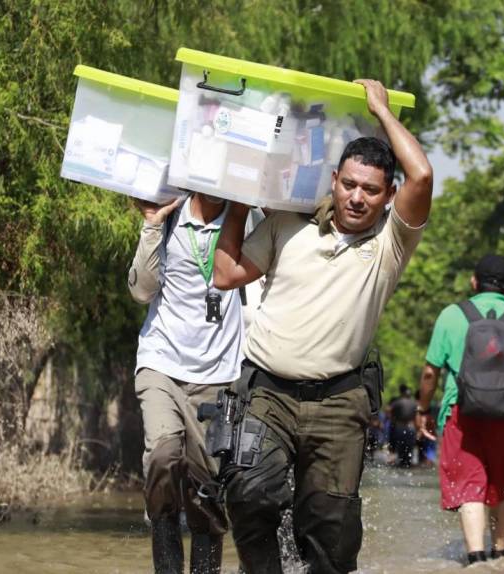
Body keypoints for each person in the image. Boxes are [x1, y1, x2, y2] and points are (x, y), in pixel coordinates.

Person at [212, 79, 433, 574]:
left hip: (340, 403)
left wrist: (379, 110)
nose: (357, 197)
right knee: (248, 493)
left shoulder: (389, 245)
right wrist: (239, 201)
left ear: (387, 195)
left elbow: (421, 175)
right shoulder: (287, 225)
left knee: (332, 540)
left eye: (371, 190)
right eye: (349, 184)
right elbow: (225, 276)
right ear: (333, 179)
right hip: (266, 393)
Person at [128, 191, 245, 574]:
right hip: (161, 362)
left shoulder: (247, 216)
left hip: (219, 373)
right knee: (162, 457)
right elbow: (141, 291)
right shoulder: (171, 215)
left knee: (206, 492)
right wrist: (151, 224)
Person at [415, 254, 504, 565]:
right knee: (499, 485)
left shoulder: (451, 315)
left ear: (473, 282)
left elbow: (429, 373)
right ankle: (501, 557)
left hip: (460, 413)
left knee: (469, 487)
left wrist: (422, 408)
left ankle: (476, 562)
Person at [388, 384, 418, 467]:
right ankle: (408, 463)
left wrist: (394, 421)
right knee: (409, 447)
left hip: (400, 426)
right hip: (411, 426)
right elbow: (417, 416)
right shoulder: (414, 403)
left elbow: (389, 412)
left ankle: (401, 463)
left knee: (401, 446)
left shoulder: (397, 402)